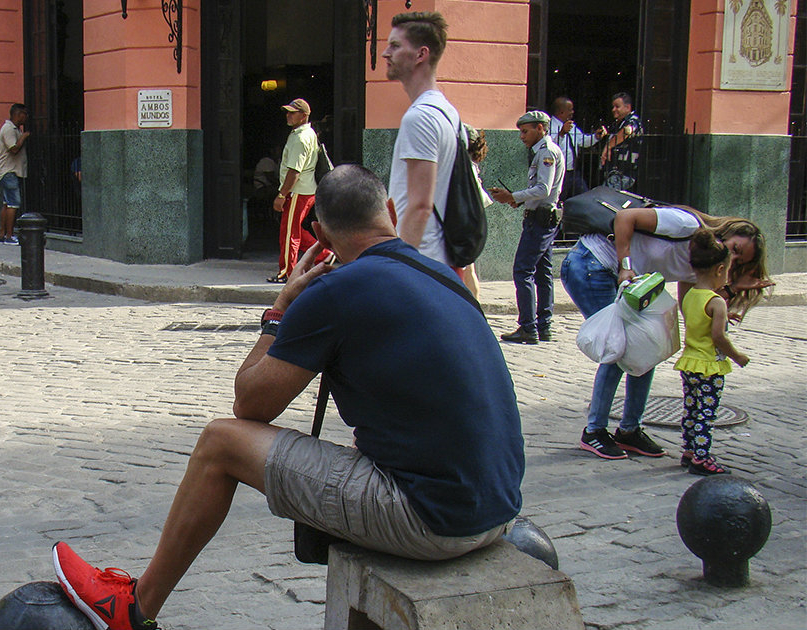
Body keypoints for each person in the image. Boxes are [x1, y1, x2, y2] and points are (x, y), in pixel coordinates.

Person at [51, 165, 524, 630]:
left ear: (319, 233)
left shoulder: (333, 290)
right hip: (498, 508)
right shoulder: (444, 277)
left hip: (431, 519)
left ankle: (135, 609)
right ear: (392, 213)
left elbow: (250, 404)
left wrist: (280, 309)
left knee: (221, 442)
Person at [561, 204, 771, 460]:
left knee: (648, 348)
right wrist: (625, 264)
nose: (732, 258)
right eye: (735, 249)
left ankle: (629, 430)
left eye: (739, 261)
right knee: (618, 348)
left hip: (628, 282)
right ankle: (594, 431)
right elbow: (625, 217)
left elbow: (692, 305)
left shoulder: (701, 259)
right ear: (728, 232)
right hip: (593, 264)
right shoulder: (687, 225)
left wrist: (730, 294)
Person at [383, 11, 462, 275]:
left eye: (395, 46)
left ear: (420, 55)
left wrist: (398, 267)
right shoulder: (445, 110)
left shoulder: (420, 117)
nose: (385, 53)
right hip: (431, 258)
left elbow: (420, 206)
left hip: (420, 260)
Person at [675, 230, 750, 476]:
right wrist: (737, 356)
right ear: (719, 269)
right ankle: (702, 456)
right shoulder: (717, 301)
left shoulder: (689, 296)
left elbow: (698, 320)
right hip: (709, 366)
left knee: (691, 409)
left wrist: (723, 316)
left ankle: (688, 450)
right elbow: (718, 337)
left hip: (689, 364)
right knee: (706, 414)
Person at [490, 111, 565, 345]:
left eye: (525, 131)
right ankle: (544, 326)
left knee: (523, 271)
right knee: (543, 273)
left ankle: (528, 327)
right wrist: (517, 200)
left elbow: (544, 189)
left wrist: (514, 195)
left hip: (540, 220)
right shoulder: (540, 151)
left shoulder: (547, 152)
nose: (521, 136)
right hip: (540, 216)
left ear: (541, 129)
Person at [268, 98, 320, 283]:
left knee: (290, 233)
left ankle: (288, 272)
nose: (288, 115)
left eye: (293, 112)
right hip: (303, 190)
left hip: (297, 191)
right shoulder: (306, 133)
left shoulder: (300, 137)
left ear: (304, 115)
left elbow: (294, 171)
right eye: (288, 112)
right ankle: (324, 254)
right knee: (294, 229)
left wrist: (282, 194)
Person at [463, 124, 493, 301]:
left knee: (468, 269)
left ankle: (475, 306)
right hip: (470, 220)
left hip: (466, 220)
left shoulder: (465, 166)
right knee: (468, 268)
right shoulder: (469, 164)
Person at [549, 97, 595, 201]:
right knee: (558, 199)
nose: (572, 112)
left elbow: (583, 141)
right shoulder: (550, 126)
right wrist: (561, 133)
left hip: (573, 172)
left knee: (584, 197)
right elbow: (550, 147)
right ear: (561, 111)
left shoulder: (571, 126)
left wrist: (596, 137)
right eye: (570, 109)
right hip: (558, 172)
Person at [0, 103, 29, 245]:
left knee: (7, 203)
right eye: (24, 114)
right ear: (18, 114)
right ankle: (9, 236)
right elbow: (13, 149)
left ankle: (2, 234)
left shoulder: (14, 129)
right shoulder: (9, 129)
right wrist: (24, 137)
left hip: (10, 171)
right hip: (10, 171)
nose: (26, 118)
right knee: (13, 203)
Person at [596, 92, 642, 191]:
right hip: (611, 172)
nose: (614, 110)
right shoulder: (617, 123)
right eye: (613, 107)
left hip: (623, 174)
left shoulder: (634, 120)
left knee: (606, 198)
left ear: (628, 107)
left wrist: (608, 146)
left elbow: (627, 131)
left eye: (617, 107)